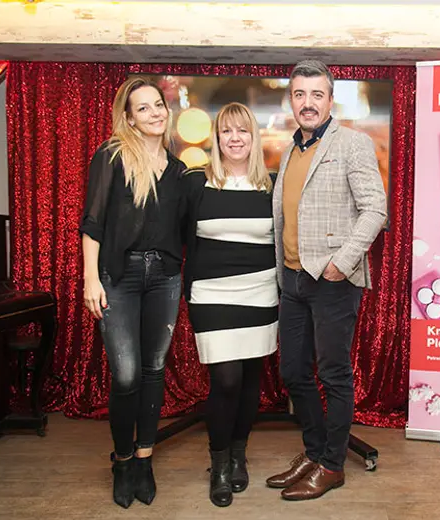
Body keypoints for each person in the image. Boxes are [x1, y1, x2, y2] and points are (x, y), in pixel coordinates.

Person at [266, 60, 387, 500]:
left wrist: (342, 261)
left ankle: (332, 466)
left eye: (317, 94)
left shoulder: (353, 143)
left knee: (333, 375)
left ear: (330, 100)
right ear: (291, 100)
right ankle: (315, 452)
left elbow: (375, 209)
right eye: (300, 94)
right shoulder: (290, 151)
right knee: (293, 372)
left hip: (334, 279)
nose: (308, 103)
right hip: (294, 279)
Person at [80, 76, 187, 509]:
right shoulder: (111, 156)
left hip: (165, 277)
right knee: (126, 375)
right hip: (119, 277)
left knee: (154, 370)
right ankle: (122, 460)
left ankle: (144, 460)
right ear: (128, 117)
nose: (154, 113)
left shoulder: (177, 169)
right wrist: (90, 279)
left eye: (158, 104)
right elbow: (93, 222)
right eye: (143, 108)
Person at [180, 102, 278, 507]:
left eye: (243, 131)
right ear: (216, 138)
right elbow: (173, 236)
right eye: (226, 131)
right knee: (226, 380)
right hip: (211, 294)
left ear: (254, 137)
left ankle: (238, 455)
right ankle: (218, 464)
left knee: (251, 378)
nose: (235, 138)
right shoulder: (195, 183)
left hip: (261, 292)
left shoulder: (272, 186)